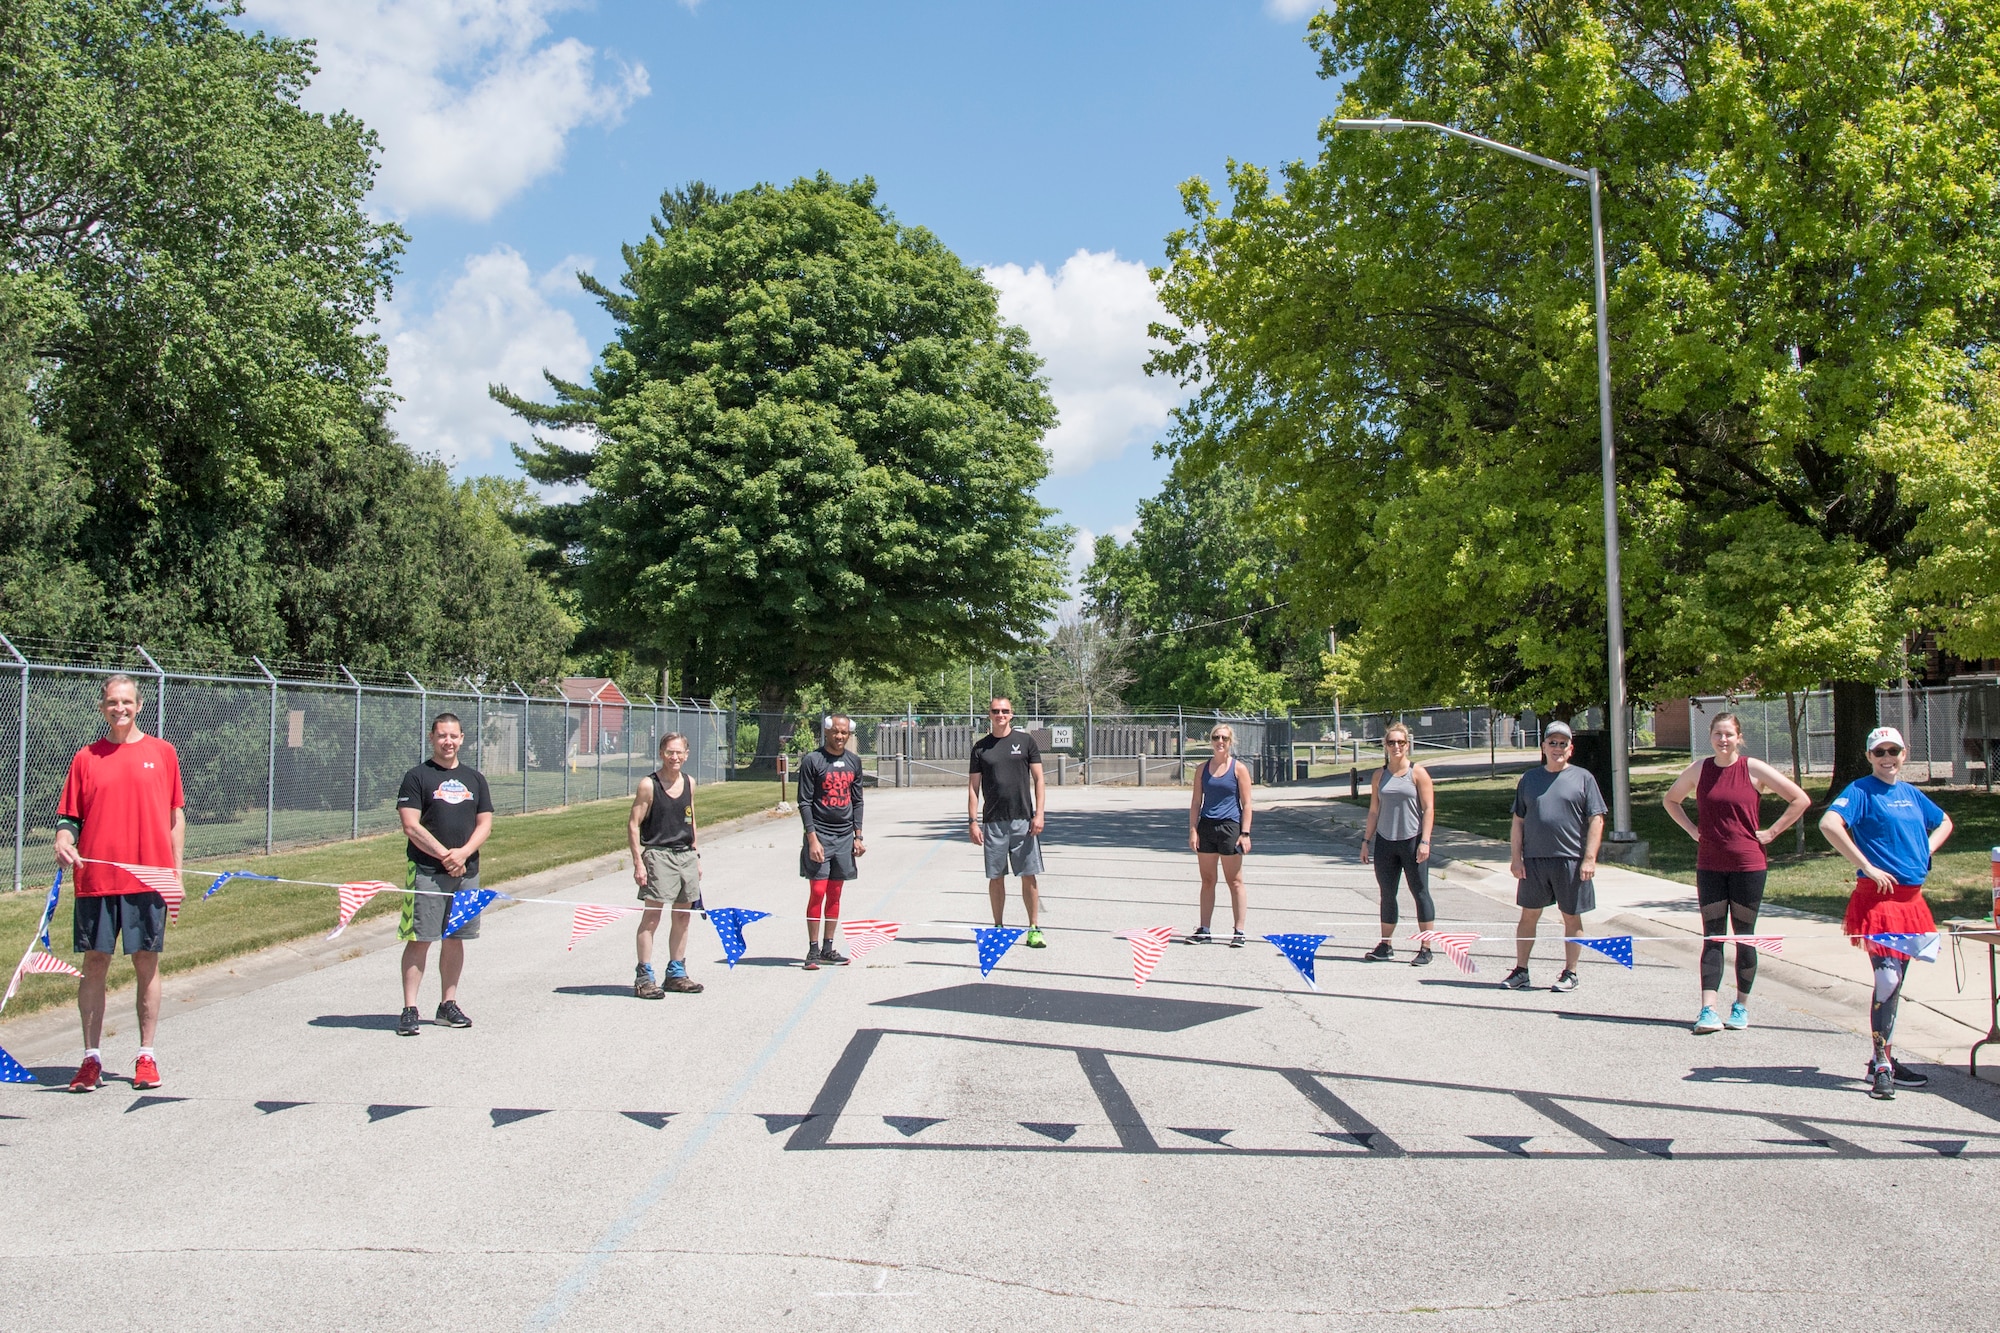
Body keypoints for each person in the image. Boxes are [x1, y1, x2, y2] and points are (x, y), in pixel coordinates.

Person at [52, 674, 185, 1093]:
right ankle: (91, 1058)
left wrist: (174, 874)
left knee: (146, 961)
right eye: (112, 702)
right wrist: (62, 838)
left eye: (127, 701)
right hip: (97, 881)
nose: (120, 708)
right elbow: (69, 818)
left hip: (149, 879)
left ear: (139, 705)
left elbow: (174, 816)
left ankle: (146, 1055)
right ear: (102, 708)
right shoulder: (86, 758)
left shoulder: (162, 753)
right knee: (94, 964)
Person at [1819, 726, 1953, 1099]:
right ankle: (1880, 1064)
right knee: (1887, 981)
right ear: (1869, 757)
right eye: (1880, 752)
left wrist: (1927, 849)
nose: (1887, 758)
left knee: (1896, 983)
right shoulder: (1861, 790)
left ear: (1904, 754)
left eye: (1893, 751)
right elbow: (1829, 824)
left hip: (1912, 903)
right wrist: (1866, 865)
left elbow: (1944, 822)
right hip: (1878, 902)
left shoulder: (1911, 794)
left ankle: (1886, 1057)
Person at [1662, 712, 1810, 1034]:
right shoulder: (1700, 770)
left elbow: (1799, 799)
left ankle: (1741, 1006)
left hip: (1748, 866)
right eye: (1718, 734)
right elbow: (1671, 800)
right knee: (1713, 936)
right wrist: (1691, 830)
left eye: (1729, 734)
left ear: (1738, 737)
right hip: (1710, 865)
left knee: (1744, 935)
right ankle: (1708, 1009)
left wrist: (1772, 832)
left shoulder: (1752, 769)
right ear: (1711, 737)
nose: (1723, 740)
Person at [394, 713, 494, 1037]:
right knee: (420, 938)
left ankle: (447, 1005)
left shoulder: (475, 779)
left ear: (462, 738)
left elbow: (485, 824)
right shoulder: (417, 777)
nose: (447, 741)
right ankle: (410, 1009)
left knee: (456, 939)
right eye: (441, 736)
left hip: (467, 872)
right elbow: (411, 825)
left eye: (453, 736)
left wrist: (463, 854)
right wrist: (445, 855)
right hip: (428, 872)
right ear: (432, 738)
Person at [1501, 721, 1607, 993]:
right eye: (1552, 743)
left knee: (1570, 917)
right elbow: (1518, 821)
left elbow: (1596, 820)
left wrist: (1589, 858)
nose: (1557, 748)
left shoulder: (1584, 778)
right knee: (1528, 916)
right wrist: (1516, 857)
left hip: (1570, 860)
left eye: (1562, 743)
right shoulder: (1529, 779)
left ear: (1570, 749)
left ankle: (1570, 973)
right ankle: (1521, 970)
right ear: (1543, 747)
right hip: (1535, 861)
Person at [629, 732, 703, 997]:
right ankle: (644, 976)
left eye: (679, 752)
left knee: (683, 916)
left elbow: (691, 818)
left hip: (685, 855)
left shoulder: (689, 782)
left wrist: (695, 855)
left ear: (686, 754)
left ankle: (676, 973)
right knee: (652, 917)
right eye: (670, 752)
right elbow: (633, 824)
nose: (675, 757)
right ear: (661, 753)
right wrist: (639, 863)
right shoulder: (649, 785)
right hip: (658, 854)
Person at [969, 697, 1047, 947]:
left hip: (1023, 820)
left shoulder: (1026, 742)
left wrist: (1039, 814)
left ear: (1012, 714)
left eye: (1005, 711)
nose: (1000, 714)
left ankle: (1034, 928)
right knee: (996, 877)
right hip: (993, 822)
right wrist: (972, 821)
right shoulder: (980, 748)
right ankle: (998, 927)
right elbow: (973, 787)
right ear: (989, 715)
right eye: (995, 711)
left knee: (1029, 875)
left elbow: (1039, 780)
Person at [1359, 722, 1436, 964]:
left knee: (1420, 892)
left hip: (1412, 841)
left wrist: (1425, 840)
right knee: (1387, 893)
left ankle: (1425, 947)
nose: (1396, 747)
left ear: (1407, 745)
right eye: (1391, 742)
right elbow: (1374, 810)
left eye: (1400, 742)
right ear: (1385, 745)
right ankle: (1386, 945)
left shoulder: (1418, 773)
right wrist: (1366, 840)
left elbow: (1429, 808)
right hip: (1385, 841)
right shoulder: (1379, 775)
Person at [798, 713, 865, 970]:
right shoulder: (813, 761)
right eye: (836, 732)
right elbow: (804, 801)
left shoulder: (853, 762)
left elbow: (857, 800)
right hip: (821, 836)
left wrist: (858, 836)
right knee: (817, 892)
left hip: (844, 837)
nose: (840, 737)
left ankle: (828, 947)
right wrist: (812, 838)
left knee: (835, 894)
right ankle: (812, 950)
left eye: (844, 733)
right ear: (826, 732)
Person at [1187, 723, 1253, 946]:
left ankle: (1239, 931)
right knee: (1207, 880)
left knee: (1234, 881)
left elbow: (1247, 803)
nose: (1220, 742)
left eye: (1224, 738)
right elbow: (1196, 802)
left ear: (1230, 741)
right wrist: (1193, 830)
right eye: (1216, 737)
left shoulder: (1238, 769)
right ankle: (1204, 929)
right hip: (1207, 826)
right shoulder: (1202, 769)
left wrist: (1245, 833)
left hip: (1230, 827)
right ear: (1211, 740)